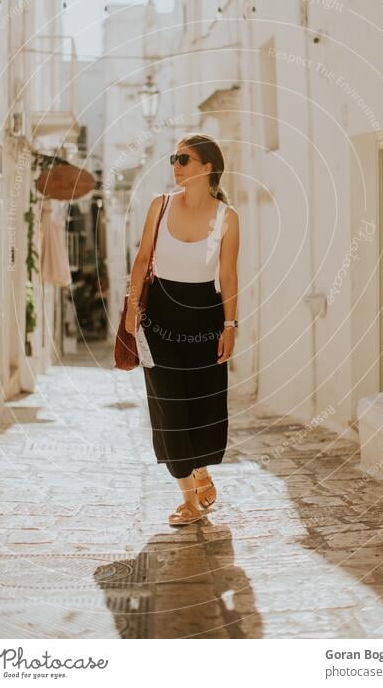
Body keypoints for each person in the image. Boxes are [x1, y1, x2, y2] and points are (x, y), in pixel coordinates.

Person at [124, 133, 240, 526]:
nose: (175, 165)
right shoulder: (160, 205)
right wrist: (130, 307)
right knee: (169, 407)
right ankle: (189, 498)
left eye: (183, 159)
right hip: (159, 318)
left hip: (205, 319)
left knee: (203, 406)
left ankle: (201, 468)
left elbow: (227, 274)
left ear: (207, 167)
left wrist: (230, 325)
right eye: (174, 159)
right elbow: (141, 260)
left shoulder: (228, 218)